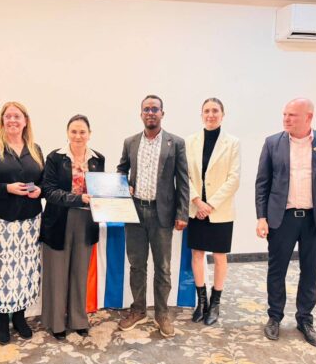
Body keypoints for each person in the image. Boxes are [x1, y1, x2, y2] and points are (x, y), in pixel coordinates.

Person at [255, 98, 316, 348]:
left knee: (310, 271)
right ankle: (274, 317)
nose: (286, 119)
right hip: (282, 219)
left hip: (315, 220)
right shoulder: (272, 142)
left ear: (309, 117)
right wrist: (261, 217)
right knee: (277, 270)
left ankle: (305, 319)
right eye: (285, 114)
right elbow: (262, 183)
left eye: (293, 115)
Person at [117, 94, 189, 338]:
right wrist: (123, 185)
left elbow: (183, 180)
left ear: (162, 114)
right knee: (137, 265)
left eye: (155, 109)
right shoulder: (130, 142)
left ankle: (162, 314)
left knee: (163, 268)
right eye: (146, 109)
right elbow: (121, 170)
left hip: (162, 214)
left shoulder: (175, 143)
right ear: (141, 114)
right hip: (135, 213)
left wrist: (182, 212)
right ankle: (138, 310)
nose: (150, 113)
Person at [0, 102, 44, 345]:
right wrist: (6, 188)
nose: (12, 120)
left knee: (26, 269)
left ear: (25, 121)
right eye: (8, 116)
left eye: (17, 116)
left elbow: (44, 182)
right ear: (2, 120)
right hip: (1, 220)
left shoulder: (35, 149)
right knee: (5, 271)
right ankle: (2, 320)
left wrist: (40, 190)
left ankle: (20, 317)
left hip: (31, 221)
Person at [40, 114, 105, 341]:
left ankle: (78, 320)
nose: (78, 136)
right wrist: (78, 199)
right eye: (74, 131)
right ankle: (56, 322)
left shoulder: (98, 159)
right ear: (67, 133)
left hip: (86, 222)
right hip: (59, 220)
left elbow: (102, 191)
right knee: (57, 273)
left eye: (82, 132)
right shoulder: (55, 158)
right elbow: (48, 191)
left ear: (89, 134)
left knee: (80, 272)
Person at [185, 98, 241, 325]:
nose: (211, 114)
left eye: (215, 111)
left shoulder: (233, 143)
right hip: (196, 208)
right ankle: (202, 302)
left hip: (220, 210)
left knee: (219, 256)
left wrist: (210, 205)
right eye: (206, 111)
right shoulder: (190, 141)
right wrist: (198, 202)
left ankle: (215, 303)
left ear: (222, 114)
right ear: (201, 114)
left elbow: (234, 179)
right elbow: (185, 175)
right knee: (197, 254)